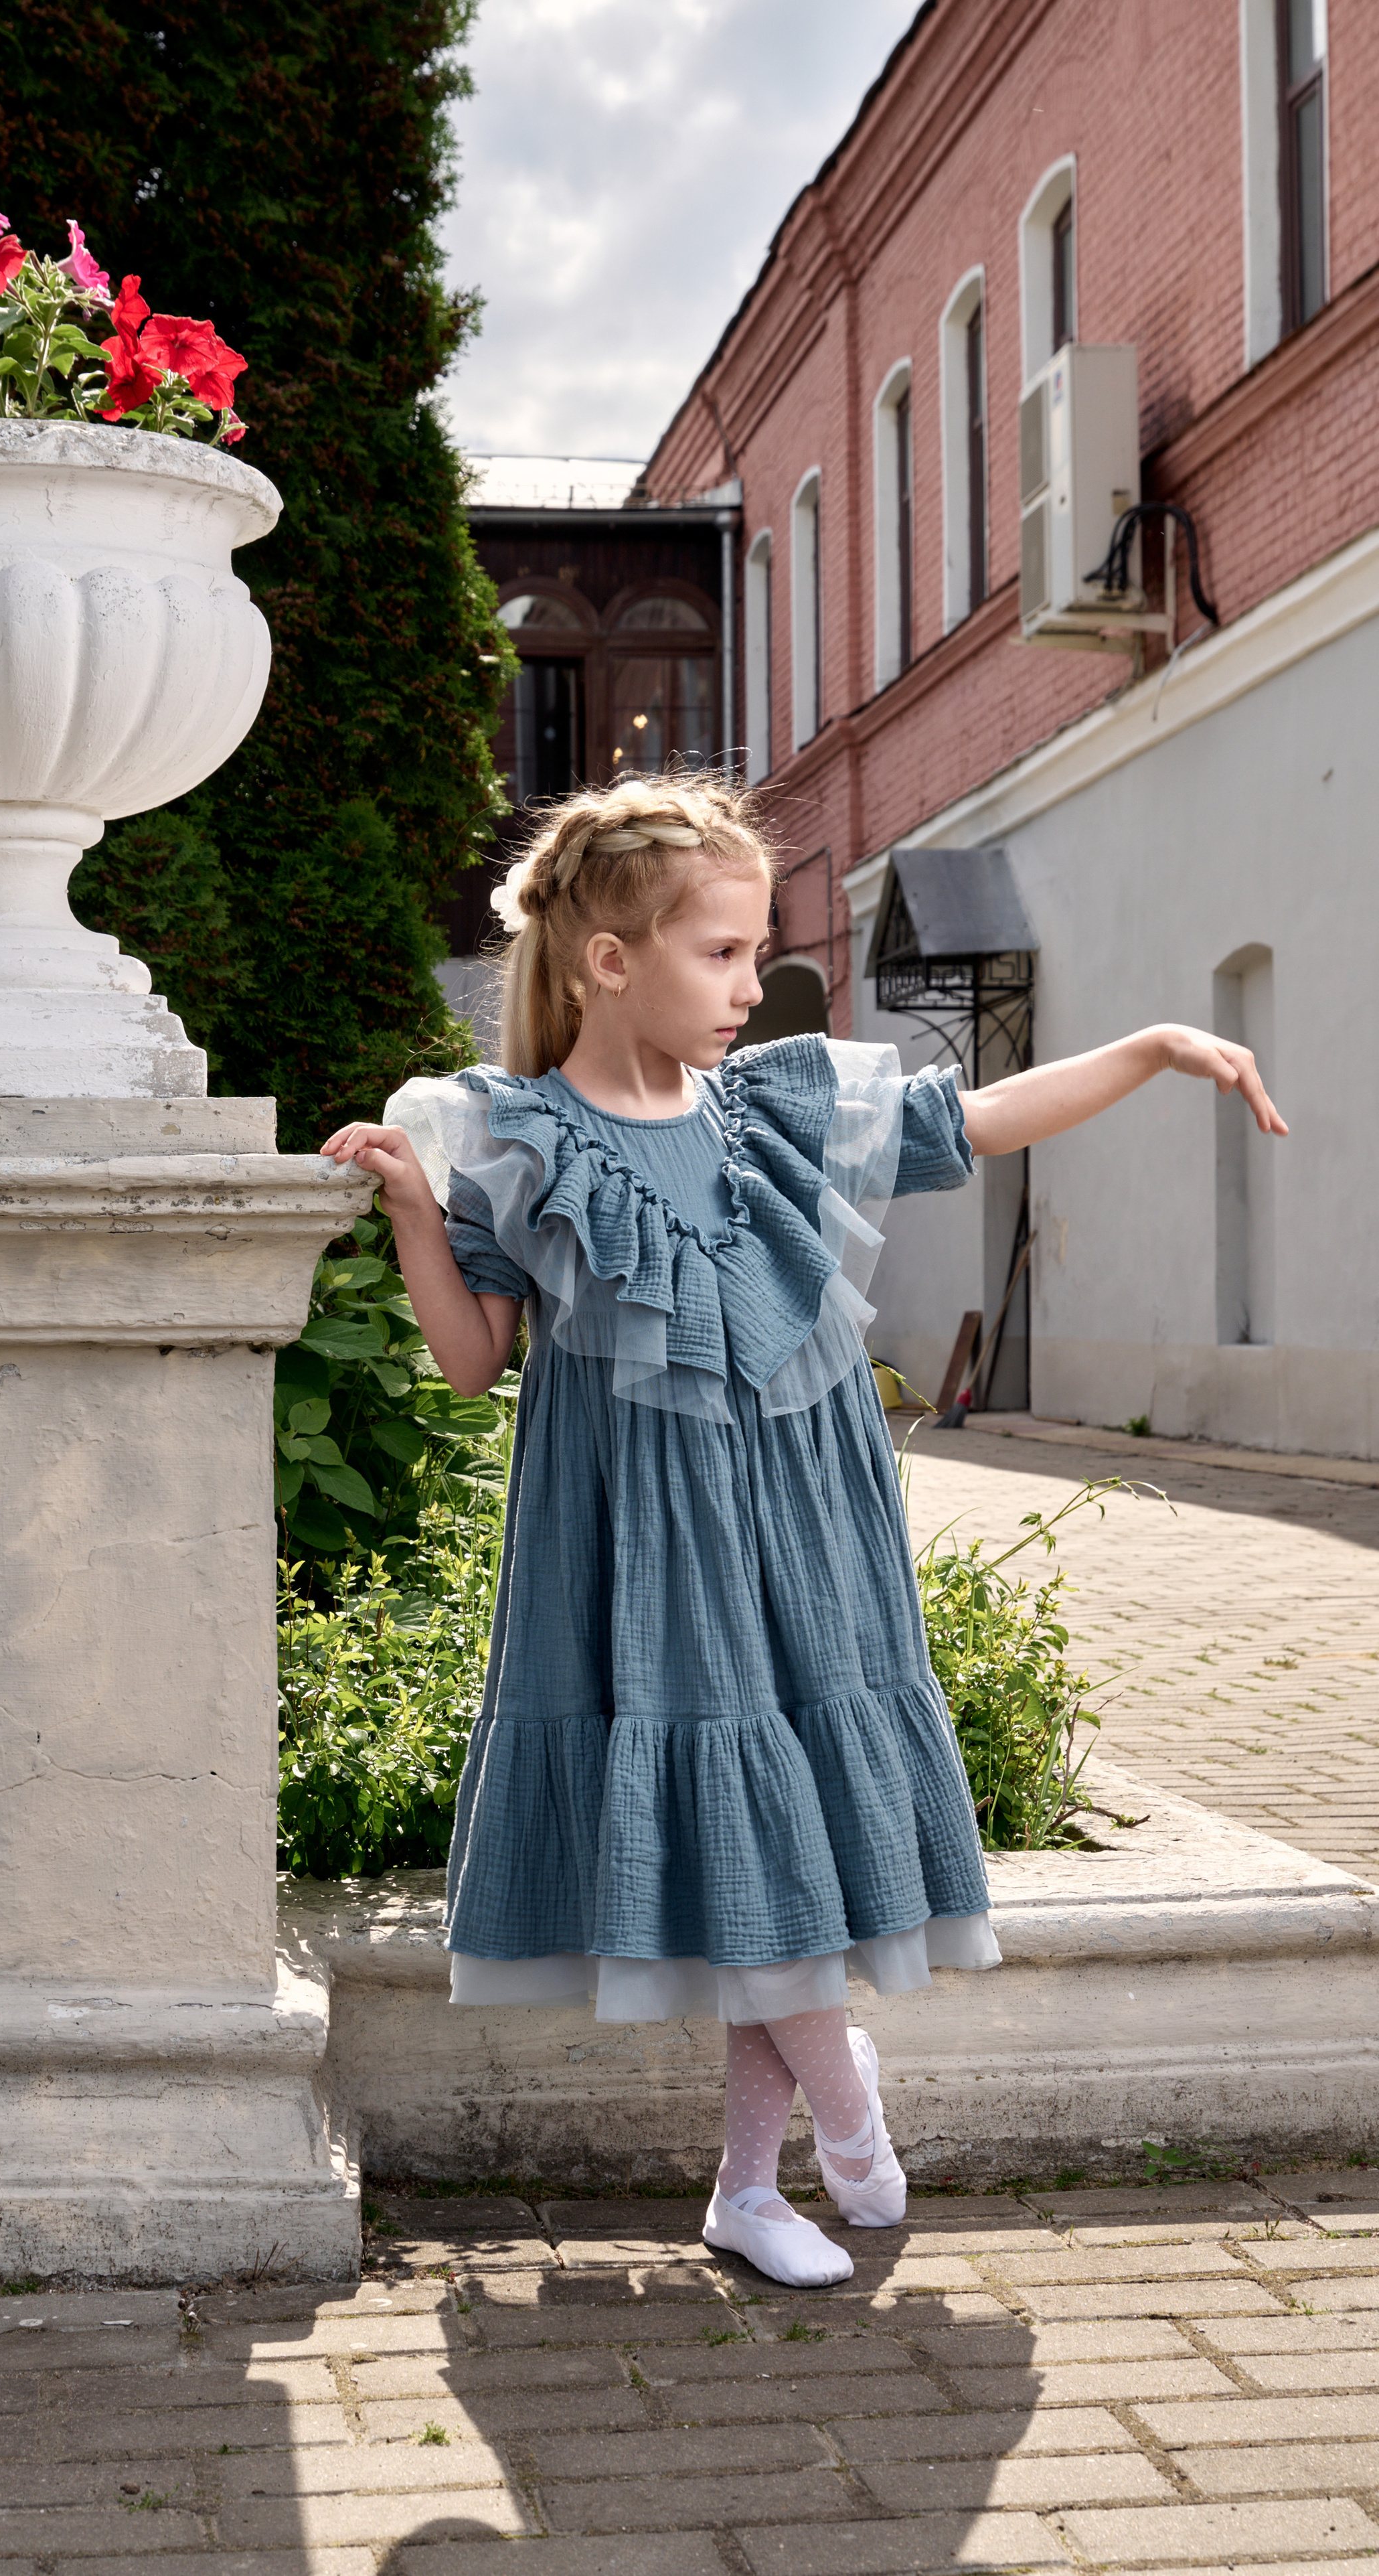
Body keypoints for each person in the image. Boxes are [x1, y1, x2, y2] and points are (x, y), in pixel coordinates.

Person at [319, 774, 1286, 2289]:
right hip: (649, 1542)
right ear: (606, 961)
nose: (746, 985)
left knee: (788, 1845)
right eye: (718, 953)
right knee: (742, 1841)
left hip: (814, 1522)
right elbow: (469, 1360)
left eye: (755, 953)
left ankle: (745, 2192)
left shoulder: (777, 1106)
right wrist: (410, 1217)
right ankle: (846, 2112)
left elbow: (977, 1117)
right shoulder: (510, 1134)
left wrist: (1157, 1046)